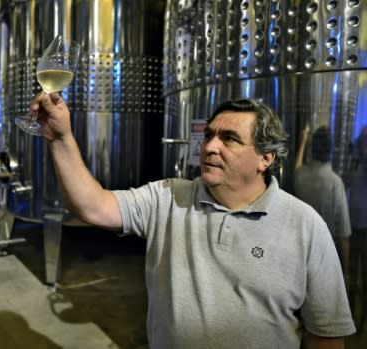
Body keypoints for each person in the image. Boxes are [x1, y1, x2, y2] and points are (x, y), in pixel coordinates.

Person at [31, 94, 355, 349]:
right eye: (209, 135)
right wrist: (61, 139)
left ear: (265, 158)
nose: (209, 146)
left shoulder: (305, 226)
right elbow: (93, 206)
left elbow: (326, 336)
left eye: (229, 139)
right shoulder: (168, 198)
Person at [294, 126, 351, 286]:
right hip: (326, 259)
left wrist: (303, 141)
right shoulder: (335, 183)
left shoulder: (300, 176)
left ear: (312, 148)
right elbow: (343, 234)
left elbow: (297, 167)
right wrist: (345, 272)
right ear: (331, 149)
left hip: (300, 256)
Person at [348, 126, 367, 330]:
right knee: (352, 276)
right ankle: (352, 317)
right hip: (353, 229)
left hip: (366, 231)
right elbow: (348, 181)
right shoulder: (356, 163)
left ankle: (363, 322)